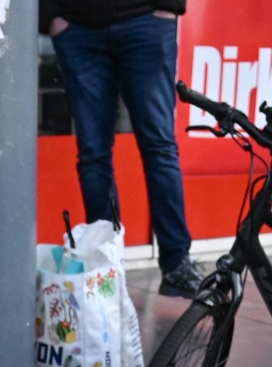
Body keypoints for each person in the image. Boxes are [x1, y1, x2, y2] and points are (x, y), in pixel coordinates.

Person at [44, 0, 203, 297]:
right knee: (93, 155)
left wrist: (168, 6)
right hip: (77, 27)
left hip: (145, 19)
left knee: (159, 146)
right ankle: (105, 266)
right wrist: (51, 15)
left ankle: (176, 263)